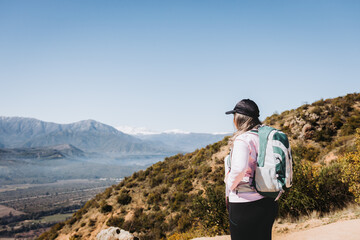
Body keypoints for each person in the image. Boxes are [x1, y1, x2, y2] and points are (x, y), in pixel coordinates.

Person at [224, 99, 278, 240]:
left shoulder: (243, 139)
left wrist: (229, 186)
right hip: (268, 201)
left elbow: (239, 170)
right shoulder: (265, 138)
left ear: (239, 119)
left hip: (244, 205)